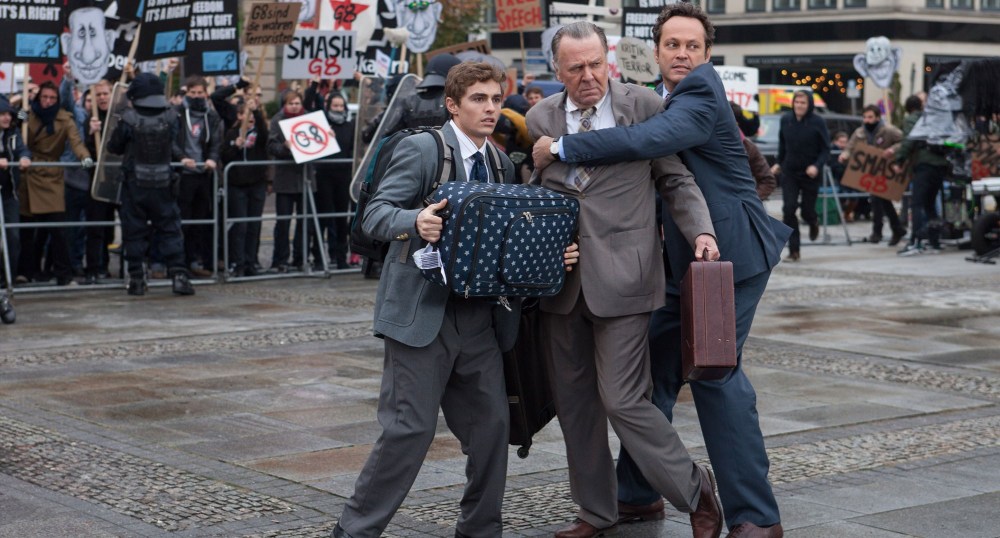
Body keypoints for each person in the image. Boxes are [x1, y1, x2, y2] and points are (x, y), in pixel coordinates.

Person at [532, 3, 790, 536]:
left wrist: (561, 147)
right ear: (654, 52)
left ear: (707, 54)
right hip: (674, 263)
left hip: (728, 254)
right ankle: (636, 493)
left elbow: (650, 148)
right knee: (653, 377)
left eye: (692, 45)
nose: (682, 53)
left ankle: (754, 517)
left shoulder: (694, 92)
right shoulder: (663, 98)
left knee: (717, 377)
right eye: (672, 44)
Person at [332, 62, 553, 538]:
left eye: (496, 99)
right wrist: (416, 221)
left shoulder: (500, 162)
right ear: (452, 104)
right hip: (420, 314)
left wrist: (555, 253)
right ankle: (355, 531)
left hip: (479, 317)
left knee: (493, 427)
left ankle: (480, 529)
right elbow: (374, 214)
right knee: (409, 430)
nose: (490, 108)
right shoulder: (422, 148)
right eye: (478, 99)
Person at [526, 21, 723, 538]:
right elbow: (536, 195)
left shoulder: (642, 107)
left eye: (596, 64)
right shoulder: (539, 117)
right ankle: (595, 512)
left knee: (623, 400)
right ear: (558, 71)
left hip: (628, 280)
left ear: (608, 60)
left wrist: (700, 231)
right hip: (562, 286)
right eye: (576, 68)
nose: (589, 76)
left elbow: (676, 179)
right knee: (576, 407)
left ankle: (695, 491)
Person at [105, 73, 194, 296]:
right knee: (170, 230)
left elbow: (114, 147)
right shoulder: (172, 116)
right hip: (164, 182)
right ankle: (179, 276)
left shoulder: (128, 119)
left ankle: (136, 278)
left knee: (134, 231)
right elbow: (176, 144)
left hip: (135, 183)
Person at [18, 81, 93, 286]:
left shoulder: (65, 118)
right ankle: (25, 271)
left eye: (52, 98)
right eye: (44, 97)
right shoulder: (28, 114)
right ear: (38, 97)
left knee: (57, 229)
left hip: (51, 173)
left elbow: (76, 141)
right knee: (27, 229)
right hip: (29, 171)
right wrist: (18, 118)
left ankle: (63, 274)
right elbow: (15, 136)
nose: (47, 101)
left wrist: (84, 157)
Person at [771, 89, 830, 261]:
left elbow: (826, 149)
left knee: (806, 211)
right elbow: (783, 145)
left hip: (810, 173)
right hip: (790, 171)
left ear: (809, 104)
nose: (799, 105)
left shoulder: (818, 122)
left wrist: (817, 166)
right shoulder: (786, 119)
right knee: (788, 209)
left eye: (803, 103)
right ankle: (794, 250)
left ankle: (813, 221)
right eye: (797, 102)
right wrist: (779, 163)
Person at [174, 75, 223, 277]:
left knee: (201, 220)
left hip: (203, 173)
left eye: (199, 93)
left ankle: (195, 260)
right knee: (182, 220)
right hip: (184, 174)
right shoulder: (176, 113)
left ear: (205, 93)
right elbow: (172, 140)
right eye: (192, 93)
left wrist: (212, 158)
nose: (196, 96)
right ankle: (180, 262)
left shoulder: (210, 115)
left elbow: (216, 141)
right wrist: (182, 157)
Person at [838, 104, 905, 247]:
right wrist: (845, 154)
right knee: (877, 201)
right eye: (865, 117)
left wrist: (892, 150)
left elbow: (903, 142)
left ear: (877, 117)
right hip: (870, 172)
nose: (867, 120)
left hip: (885, 170)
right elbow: (850, 146)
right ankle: (890, 230)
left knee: (882, 200)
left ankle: (885, 231)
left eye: (870, 117)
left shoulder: (888, 130)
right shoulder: (860, 132)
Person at [892, 95, 949, 256]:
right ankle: (934, 241)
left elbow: (909, 141)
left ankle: (915, 241)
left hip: (924, 165)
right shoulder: (932, 118)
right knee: (930, 205)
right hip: (940, 164)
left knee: (917, 204)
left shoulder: (912, 119)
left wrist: (899, 160)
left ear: (908, 107)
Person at [266, 91, 316, 273]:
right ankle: (280, 259)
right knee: (283, 222)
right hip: (285, 178)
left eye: (297, 103)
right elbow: (271, 146)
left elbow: (318, 141)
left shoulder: (309, 118)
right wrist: (285, 147)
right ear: (284, 104)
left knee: (305, 223)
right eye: (291, 103)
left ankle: (300, 257)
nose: (294, 106)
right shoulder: (277, 120)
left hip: (305, 178)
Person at [221, 102, 269, 277]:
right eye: (246, 118)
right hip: (238, 185)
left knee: (254, 225)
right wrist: (235, 146)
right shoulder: (231, 134)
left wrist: (256, 110)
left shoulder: (258, 133)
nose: (250, 122)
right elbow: (224, 156)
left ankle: (251, 261)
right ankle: (238, 262)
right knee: (240, 226)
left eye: (252, 120)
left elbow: (265, 136)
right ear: (239, 117)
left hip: (256, 183)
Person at [312, 92, 355, 269]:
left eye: (341, 106)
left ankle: (340, 257)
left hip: (343, 177)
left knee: (340, 219)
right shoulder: (322, 124)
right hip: (324, 176)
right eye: (334, 106)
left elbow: (353, 148)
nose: (338, 109)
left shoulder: (350, 125)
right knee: (324, 218)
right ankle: (319, 258)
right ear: (328, 106)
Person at [1, 97, 31, 285]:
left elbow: (23, 150)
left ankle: (8, 277)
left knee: (13, 236)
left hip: (9, 193)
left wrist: (25, 158)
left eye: (8, 114)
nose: (6, 118)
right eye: (2, 114)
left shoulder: (13, 133)